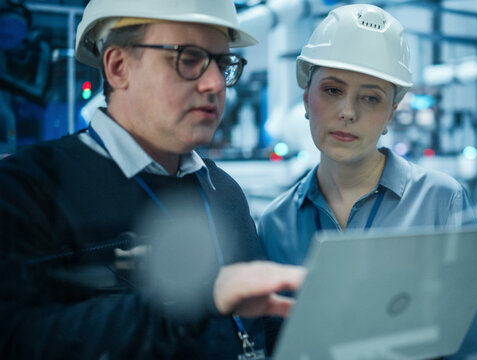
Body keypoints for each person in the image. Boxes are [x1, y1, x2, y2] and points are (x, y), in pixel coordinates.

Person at [0, 0, 305, 358]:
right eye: (188, 58)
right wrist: (198, 301)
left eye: (223, 64)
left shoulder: (222, 191)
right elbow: (17, 338)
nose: (215, 83)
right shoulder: (29, 189)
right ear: (118, 67)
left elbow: (261, 325)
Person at [258, 4, 477, 359]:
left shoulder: (440, 203)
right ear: (306, 97)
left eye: (370, 98)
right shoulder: (277, 223)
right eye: (332, 90)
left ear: (390, 113)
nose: (348, 112)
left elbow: (472, 347)